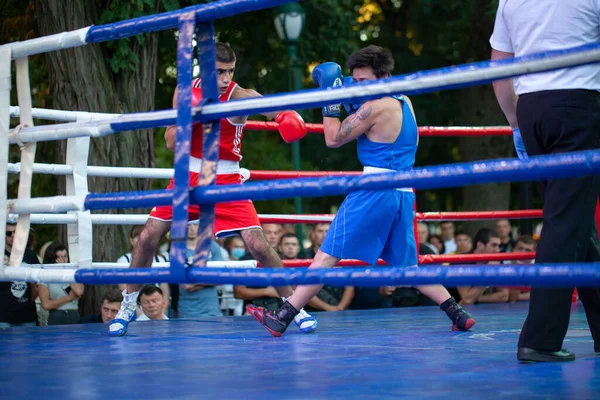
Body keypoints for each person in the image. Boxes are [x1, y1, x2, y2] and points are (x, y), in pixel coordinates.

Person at [248, 45, 475, 337]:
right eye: (354, 81)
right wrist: (351, 97)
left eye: (363, 81)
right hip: (403, 192)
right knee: (408, 266)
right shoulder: (403, 101)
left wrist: (330, 98)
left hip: (374, 190)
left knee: (327, 254)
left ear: (383, 77)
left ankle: (283, 316)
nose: (357, 86)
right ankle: (457, 313)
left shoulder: (373, 108)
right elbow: (369, 119)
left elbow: (332, 138)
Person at [109, 42, 317, 336]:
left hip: (227, 180)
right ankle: (128, 305)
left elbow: (271, 107)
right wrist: (194, 114)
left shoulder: (240, 96)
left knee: (258, 245)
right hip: (188, 176)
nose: (224, 79)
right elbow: (170, 141)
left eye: (230, 72)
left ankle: (293, 307)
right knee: (147, 237)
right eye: (219, 72)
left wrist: (286, 117)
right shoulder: (185, 92)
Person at [490, 0, 600, 362]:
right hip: (580, 102)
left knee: (574, 222)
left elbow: (499, 67)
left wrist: (517, 123)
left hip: (532, 109)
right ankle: (540, 338)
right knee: (566, 223)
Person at [1, 223, 39, 328]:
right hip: (3, 317)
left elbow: (36, 286)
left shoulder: (30, 255)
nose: (13, 235)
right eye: (9, 233)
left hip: (27, 315)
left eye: (16, 232)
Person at [37, 242, 84, 325]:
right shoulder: (45, 276)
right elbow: (46, 305)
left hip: (74, 315)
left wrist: (66, 271)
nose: (63, 260)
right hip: (57, 316)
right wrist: (68, 298)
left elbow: (79, 291)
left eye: (65, 256)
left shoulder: (73, 273)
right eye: (60, 257)